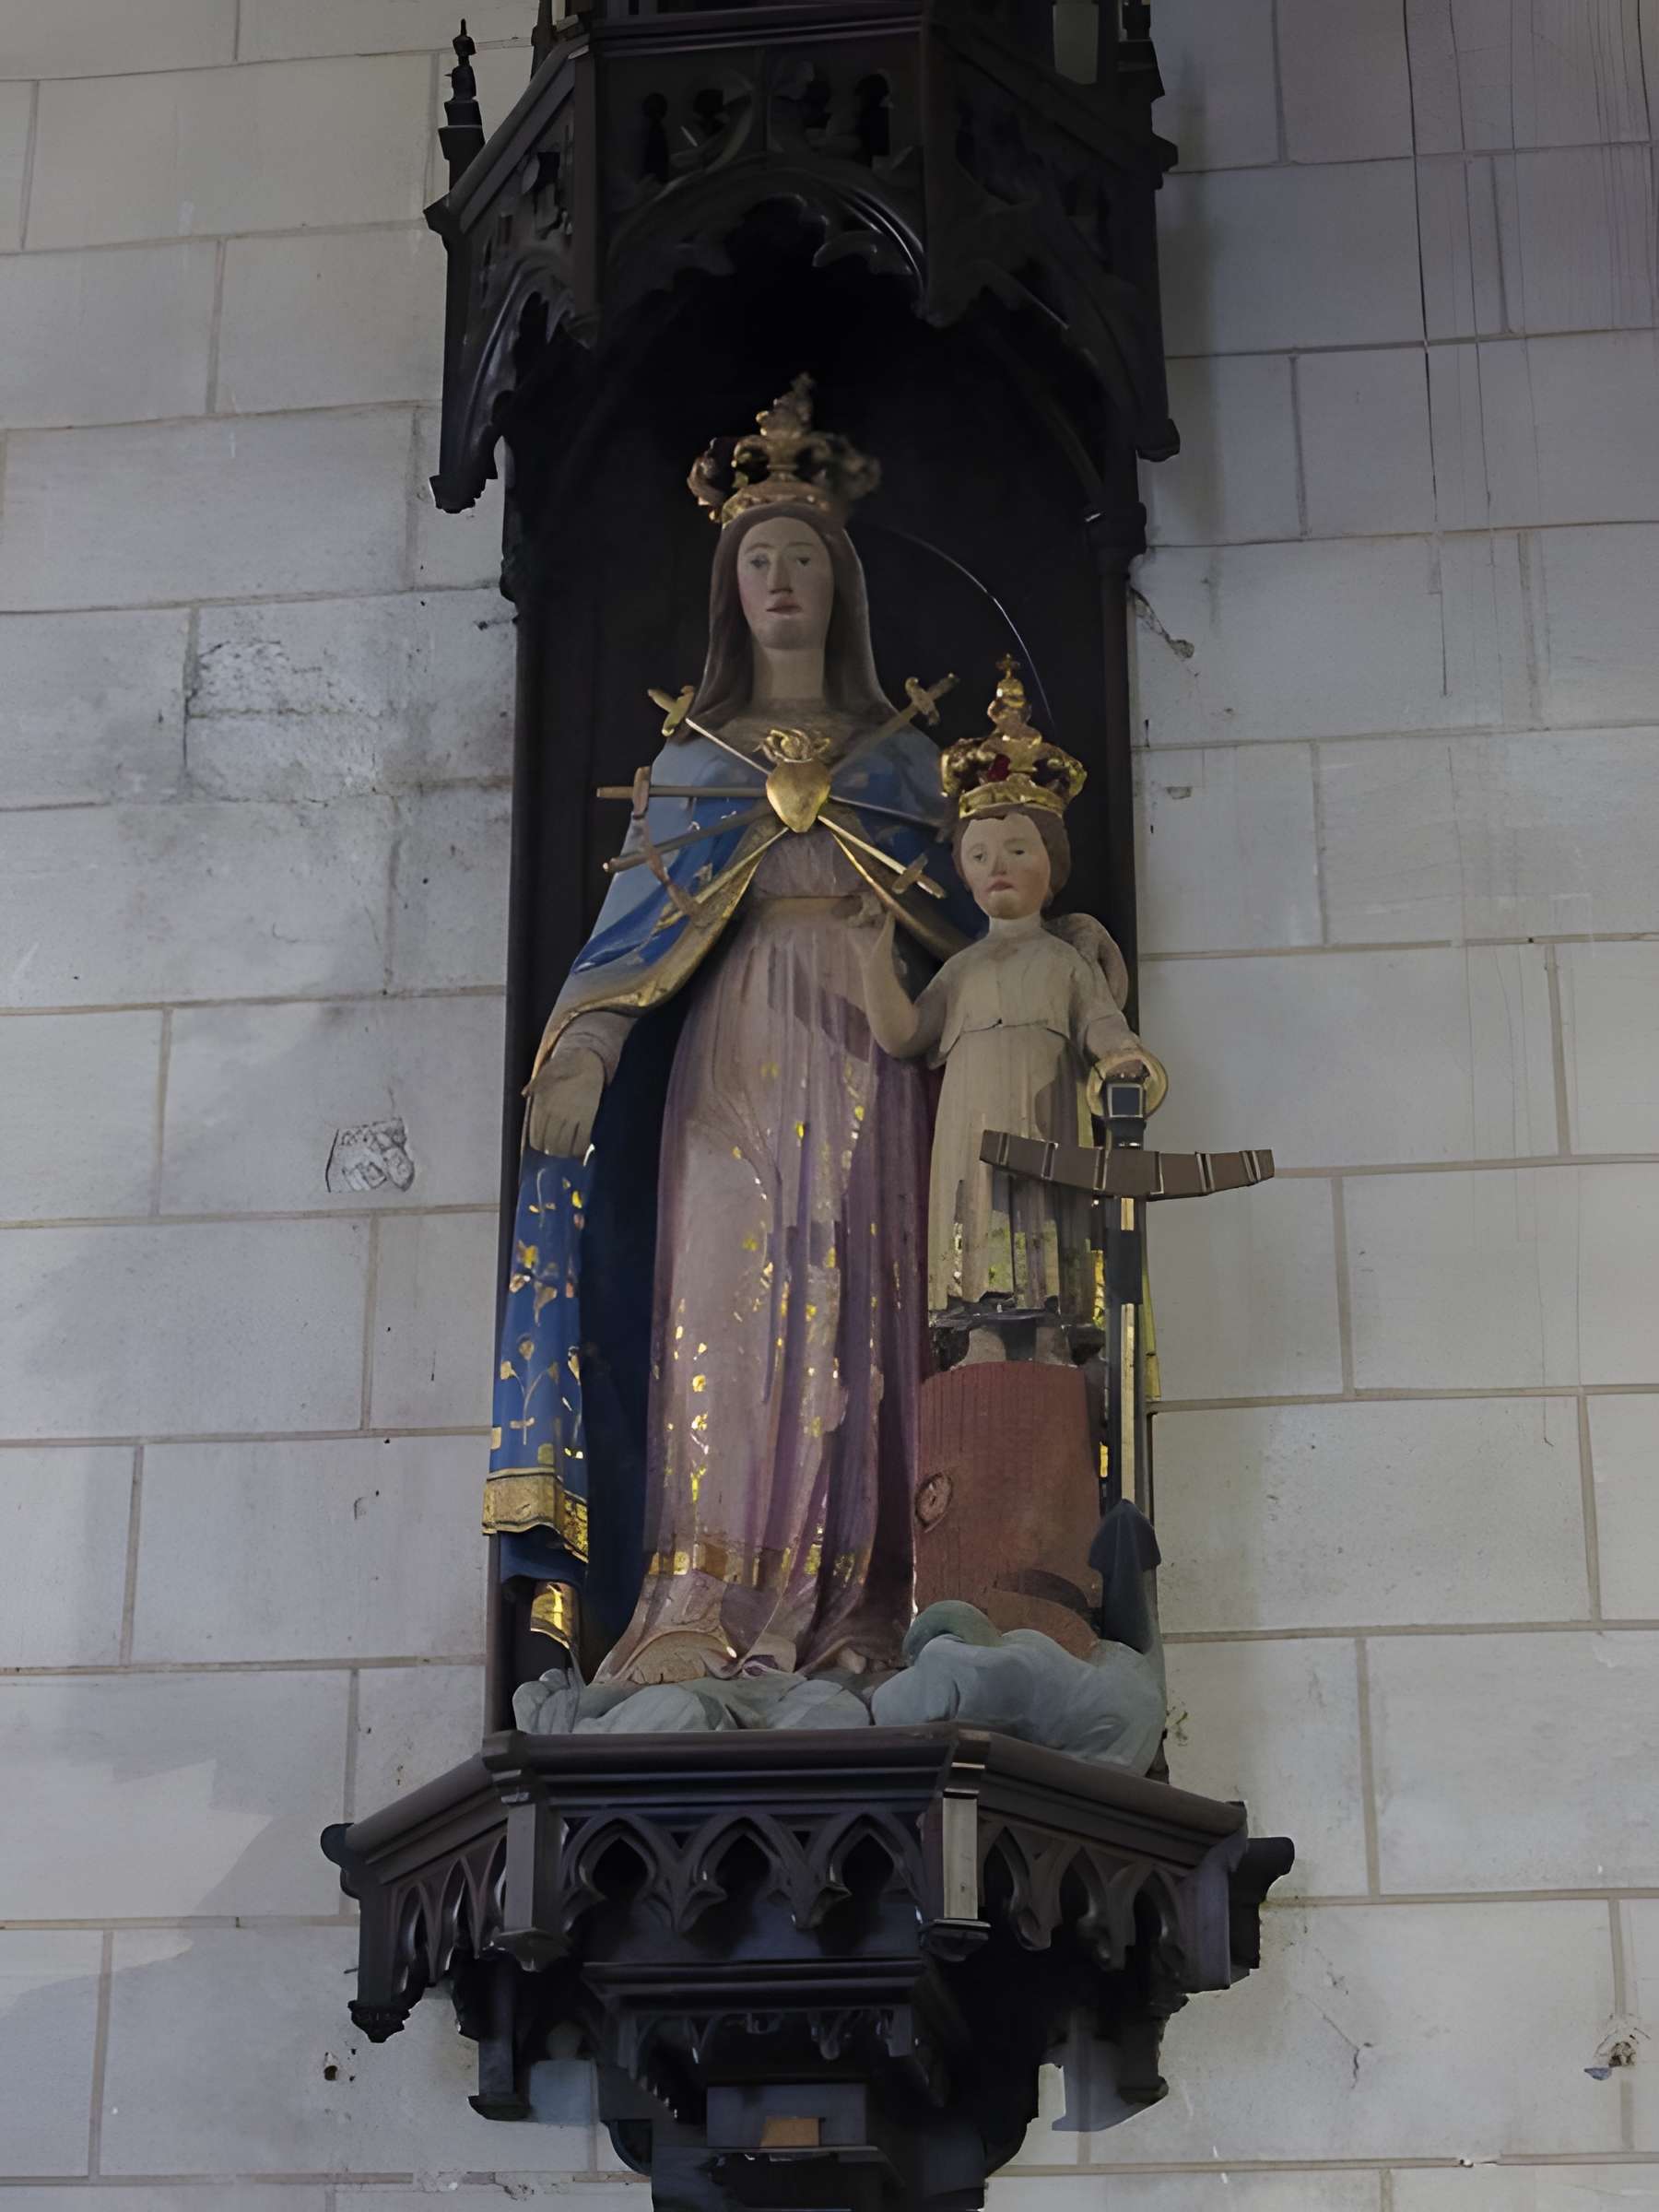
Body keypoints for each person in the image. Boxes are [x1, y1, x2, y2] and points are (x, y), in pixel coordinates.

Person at [486, 378, 977, 1684]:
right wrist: (582, 1046)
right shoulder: (699, 762)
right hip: (734, 1050)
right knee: (722, 1303)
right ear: (728, 589)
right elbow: (623, 944)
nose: (779, 582)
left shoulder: (905, 764)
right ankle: (697, 1603)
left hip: (873, 1049)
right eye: (757, 560)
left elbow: (985, 932)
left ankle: (872, 1599)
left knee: (861, 1305)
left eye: (802, 560)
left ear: (840, 588)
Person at [855, 661, 1147, 1365]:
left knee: (1049, 1209)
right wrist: (873, 953)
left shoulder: (1066, 960)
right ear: (963, 871)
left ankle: (1049, 1333)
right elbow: (904, 1033)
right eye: (980, 854)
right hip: (975, 1120)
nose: (999, 866)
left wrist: (1123, 1057)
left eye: (1018, 849)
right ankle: (981, 1331)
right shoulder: (961, 969)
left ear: (1053, 862)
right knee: (979, 1208)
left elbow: (1102, 1021)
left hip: (1046, 1109)